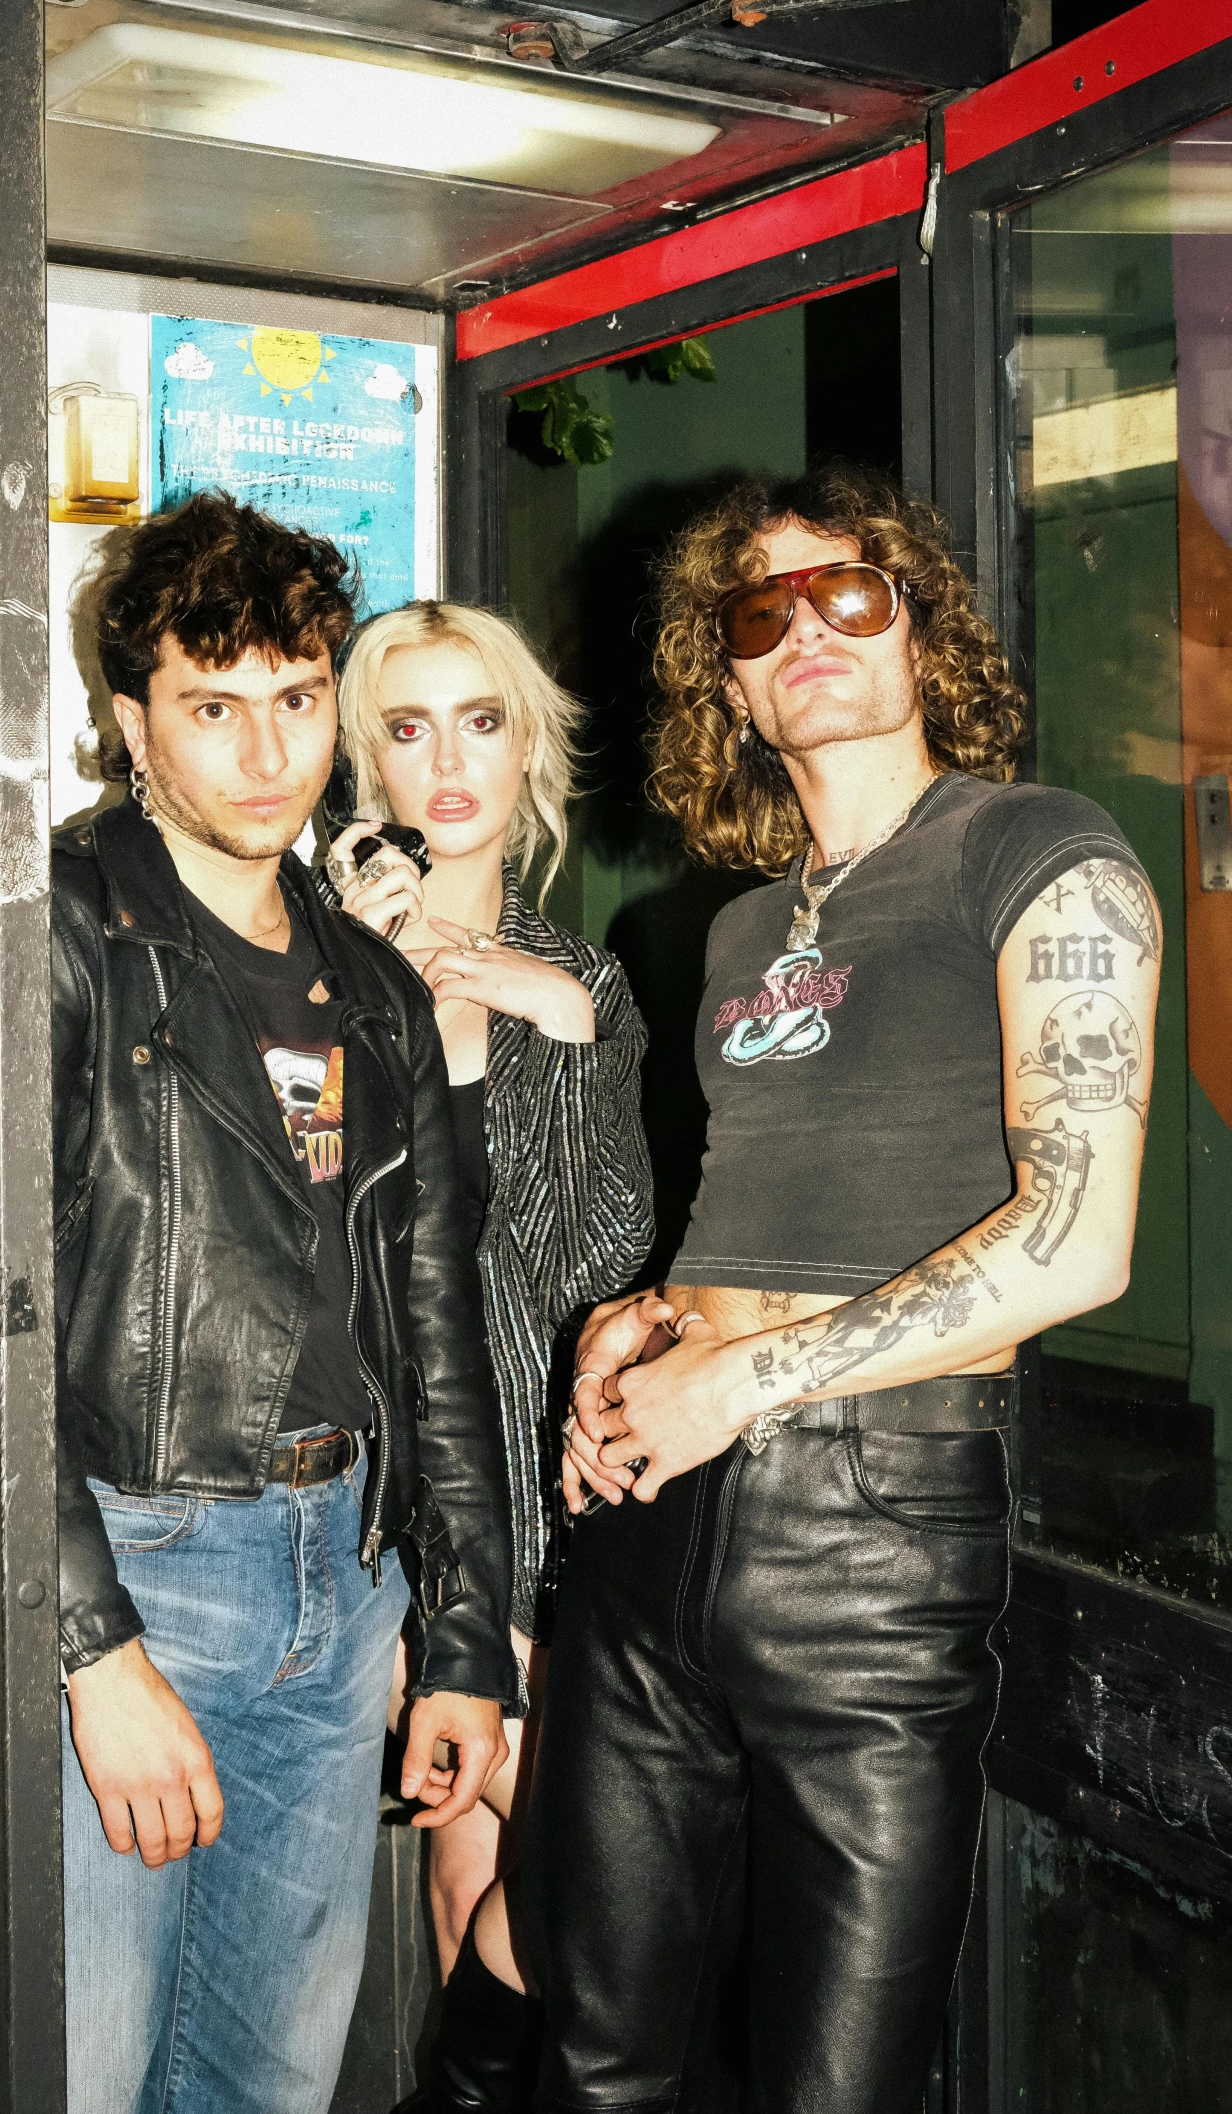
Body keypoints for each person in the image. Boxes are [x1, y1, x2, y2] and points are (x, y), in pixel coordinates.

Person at [530, 467, 1160, 2114]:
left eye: (849, 593)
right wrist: (650, 1318)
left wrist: (735, 1378)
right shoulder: (739, 927)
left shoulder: (1033, 847)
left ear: (919, 627)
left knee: (837, 2086)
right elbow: (765, 1201)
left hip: (872, 1538)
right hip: (651, 1511)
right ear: (723, 682)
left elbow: (1079, 1238)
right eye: (759, 612)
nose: (804, 625)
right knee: (594, 2063)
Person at [52, 495, 518, 2114]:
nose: (266, 752)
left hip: (347, 1581)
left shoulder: (373, 982)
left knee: (267, 2085)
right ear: (132, 723)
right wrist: (86, 1645)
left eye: (297, 697)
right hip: (136, 1552)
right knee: (82, 2072)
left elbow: (435, 1315)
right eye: (211, 704)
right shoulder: (55, 932)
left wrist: (461, 1631)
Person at [323, 600, 652, 2106]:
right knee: (475, 1898)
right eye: (405, 725)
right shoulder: (314, 968)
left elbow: (591, 1255)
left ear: (528, 748)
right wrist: (406, 1010)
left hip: (562, 1498)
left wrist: (537, 1019)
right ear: (362, 761)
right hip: (402, 1499)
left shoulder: (582, 979)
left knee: (582, 1895)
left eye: (479, 719)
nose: (445, 760)